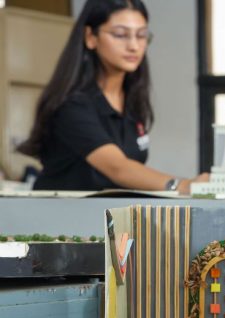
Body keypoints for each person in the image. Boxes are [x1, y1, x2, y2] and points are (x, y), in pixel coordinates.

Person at [19, 0, 208, 194]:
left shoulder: (132, 99)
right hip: (57, 218)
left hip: (107, 217)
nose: (134, 46)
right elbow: (117, 168)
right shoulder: (72, 104)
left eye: (141, 35)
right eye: (120, 35)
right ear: (91, 36)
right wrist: (181, 186)